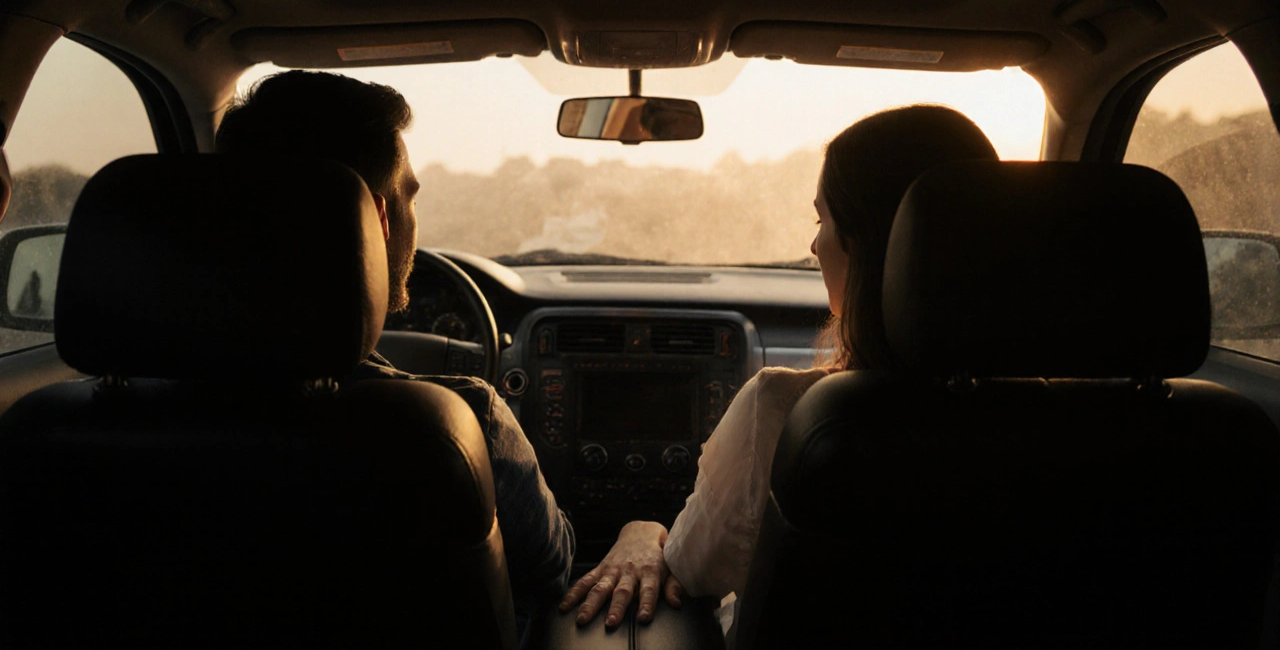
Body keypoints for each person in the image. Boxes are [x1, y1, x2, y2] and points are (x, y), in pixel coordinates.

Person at [559, 104, 1000, 634]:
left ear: (870, 241)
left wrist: (639, 530)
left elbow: (689, 572)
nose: (814, 245)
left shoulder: (787, 411)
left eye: (823, 219)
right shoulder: (1089, 426)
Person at [215, 70, 574, 641]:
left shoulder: (68, 430)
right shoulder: (454, 425)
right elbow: (555, 572)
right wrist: (639, 532)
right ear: (378, 220)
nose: (412, 216)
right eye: (408, 196)